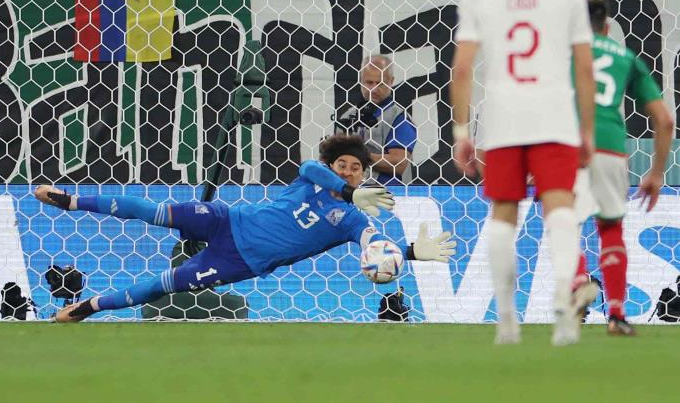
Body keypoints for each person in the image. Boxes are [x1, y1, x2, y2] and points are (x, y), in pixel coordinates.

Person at [33, 134, 454, 322]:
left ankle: (87, 308)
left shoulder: (354, 219)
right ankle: (71, 200)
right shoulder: (313, 176)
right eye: (342, 165)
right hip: (228, 219)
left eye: (356, 168)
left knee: (165, 283)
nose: (347, 170)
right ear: (333, 167)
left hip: (239, 260)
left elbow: (374, 246)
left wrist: (411, 252)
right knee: (156, 212)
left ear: (364, 175)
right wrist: (347, 191)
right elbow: (309, 165)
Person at [451, 0, 597, 346]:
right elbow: (584, 67)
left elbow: (461, 70)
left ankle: (507, 319)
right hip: (553, 117)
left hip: (503, 120)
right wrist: (587, 130)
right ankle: (563, 309)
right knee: (561, 212)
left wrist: (462, 133)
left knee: (503, 215)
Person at [571, 0, 675, 335]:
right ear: (608, 27)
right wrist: (657, 172)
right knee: (610, 229)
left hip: (570, 146)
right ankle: (615, 313)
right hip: (613, 150)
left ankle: (577, 287)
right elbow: (664, 121)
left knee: (565, 224)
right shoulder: (627, 57)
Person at [336, 55, 417, 182]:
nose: (374, 89)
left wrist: (358, 155)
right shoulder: (348, 116)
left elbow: (399, 164)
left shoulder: (399, 117)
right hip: (352, 193)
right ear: (361, 80)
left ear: (391, 81)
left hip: (391, 195)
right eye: (369, 82)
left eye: (380, 83)